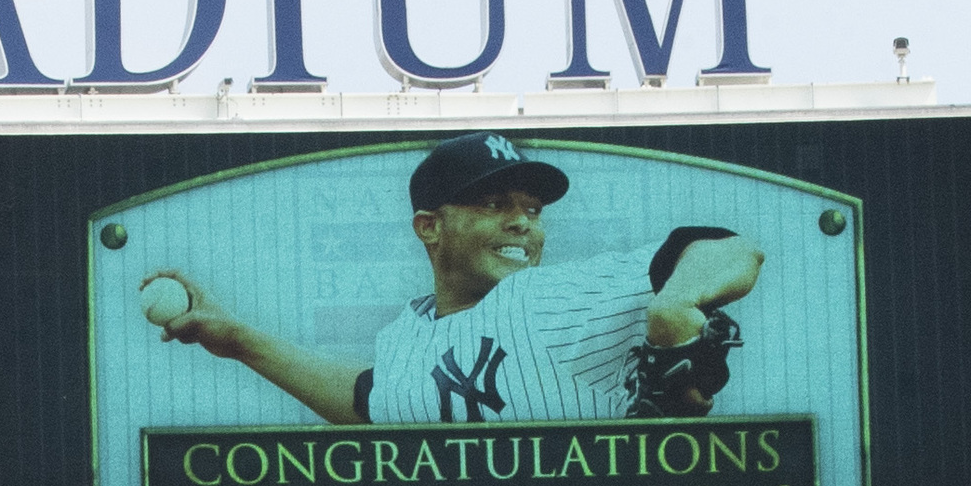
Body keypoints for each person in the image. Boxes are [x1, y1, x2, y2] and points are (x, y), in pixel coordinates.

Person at [144, 133, 768, 429]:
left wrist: (678, 303)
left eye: (532, 209)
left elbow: (728, 248)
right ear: (430, 226)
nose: (522, 221)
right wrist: (238, 339)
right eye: (495, 204)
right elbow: (369, 399)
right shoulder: (409, 335)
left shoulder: (546, 300)